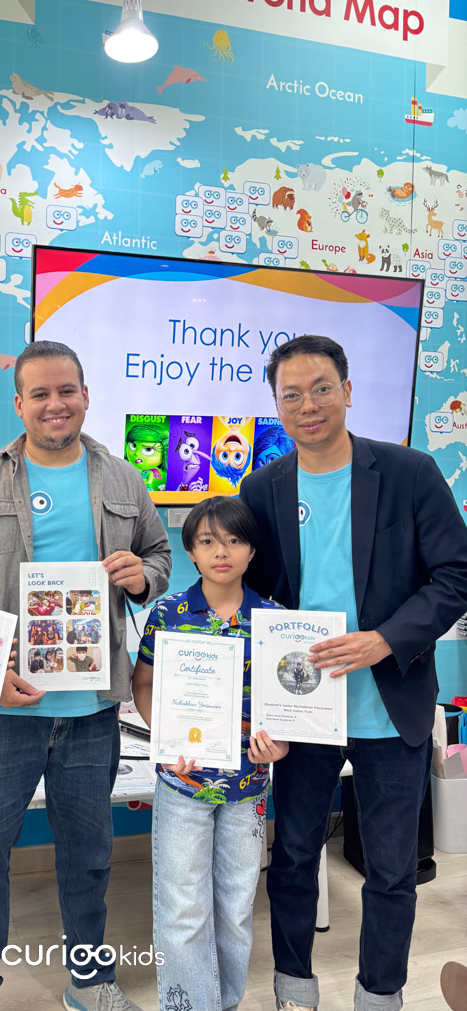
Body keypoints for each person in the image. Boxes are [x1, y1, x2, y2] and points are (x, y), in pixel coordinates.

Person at [0, 338, 172, 1011]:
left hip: (93, 711)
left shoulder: (124, 480)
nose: (55, 404)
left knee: (88, 856)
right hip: (6, 714)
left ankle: (90, 982)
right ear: (19, 404)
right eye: (40, 394)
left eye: (67, 391)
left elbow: (158, 555)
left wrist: (141, 576)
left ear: (86, 396)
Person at [239, 334, 467, 1011]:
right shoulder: (263, 488)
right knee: (293, 858)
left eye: (321, 389)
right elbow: (253, 593)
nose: (307, 405)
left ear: (346, 390)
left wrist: (385, 640)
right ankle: (293, 988)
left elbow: (456, 574)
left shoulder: (410, 472)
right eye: (291, 395)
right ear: (276, 404)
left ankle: (380, 994)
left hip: (389, 705)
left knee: (393, 870)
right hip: (302, 706)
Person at [131, 496, 288, 1011]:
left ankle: (226, 1003)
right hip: (183, 782)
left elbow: (288, 705)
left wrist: (281, 743)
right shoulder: (168, 614)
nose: (221, 552)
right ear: (191, 552)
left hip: (249, 787)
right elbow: (143, 684)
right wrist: (166, 736)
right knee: (182, 910)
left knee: (236, 909)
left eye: (234, 540)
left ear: (251, 551)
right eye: (207, 541)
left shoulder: (274, 620)